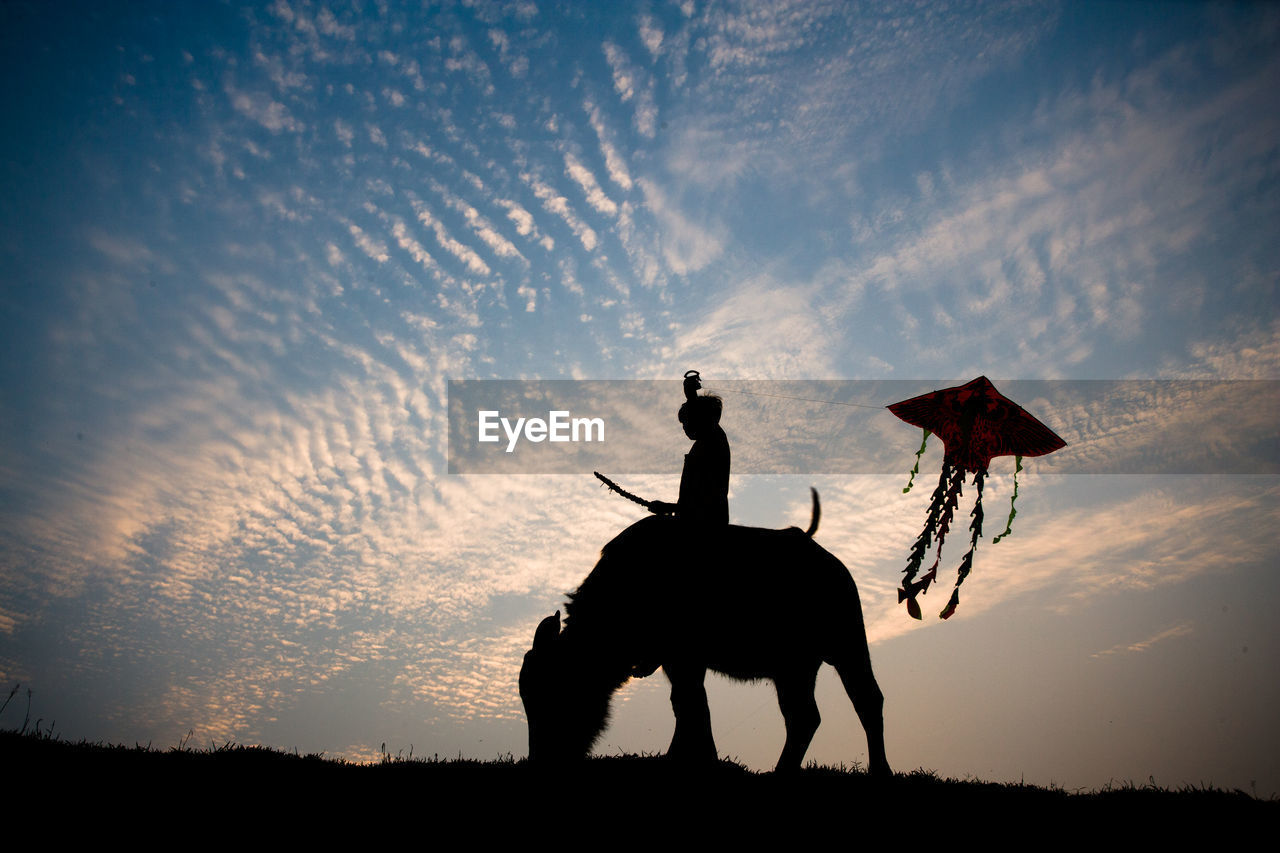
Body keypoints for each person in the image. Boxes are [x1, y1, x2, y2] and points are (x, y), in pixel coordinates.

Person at [648, 371, 730, 527]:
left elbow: (704, 500)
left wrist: (691, 397)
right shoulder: (706, 443)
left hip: (705, 526)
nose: (684, 428)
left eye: (686, 421)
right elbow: (694, 500)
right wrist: (670, 508)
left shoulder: (713, 439)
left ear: (702, 417)